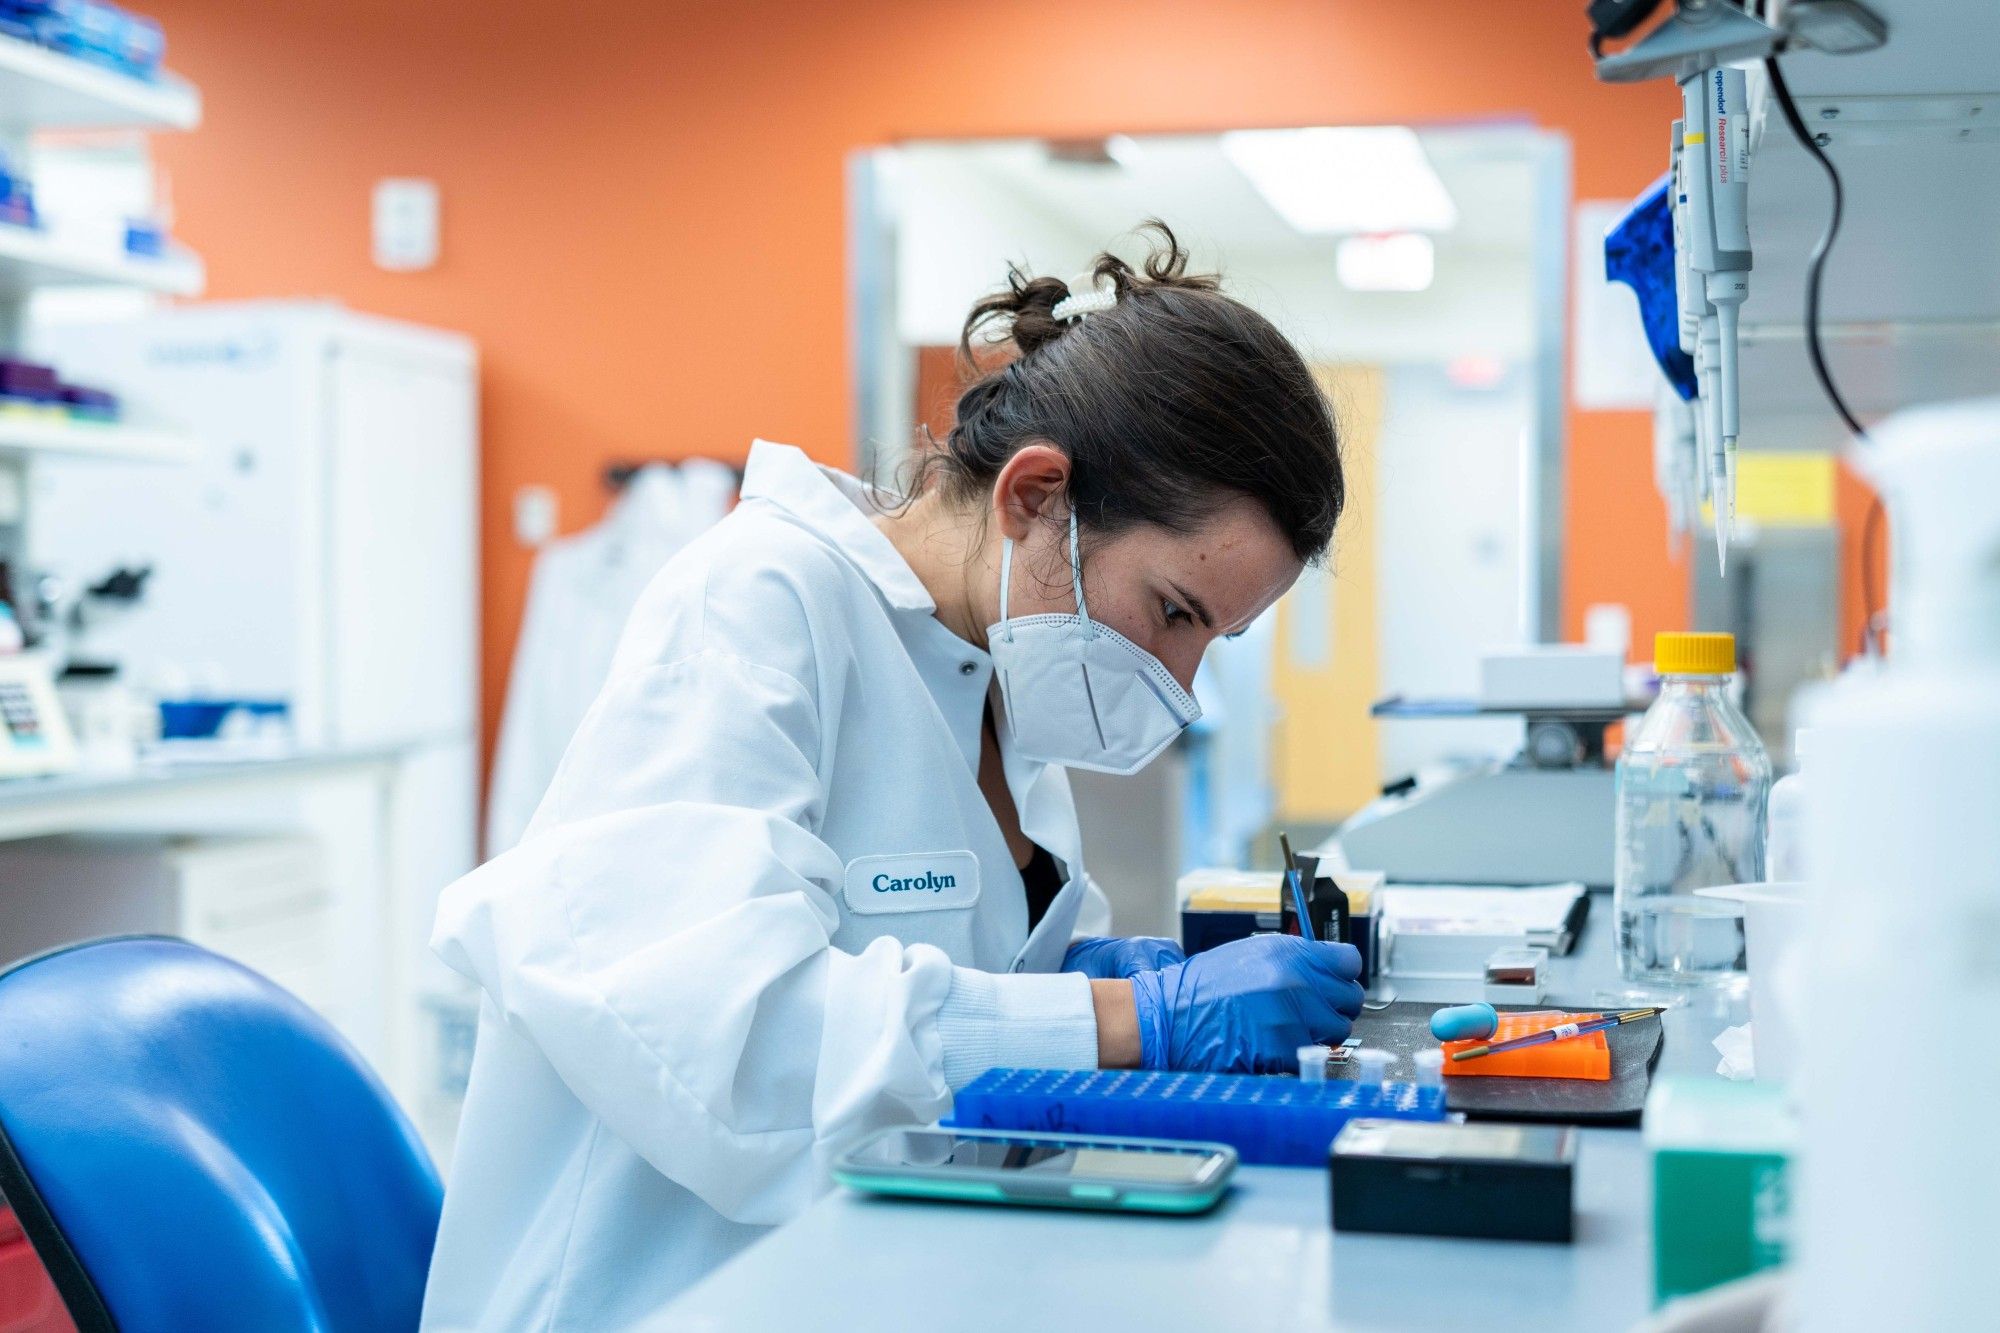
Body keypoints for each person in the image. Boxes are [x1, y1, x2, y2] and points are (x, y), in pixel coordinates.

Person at [420, 223, 1361, 1330]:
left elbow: (955, 999)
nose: (1179, 683)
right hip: (658, 1294)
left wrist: (1073, 974)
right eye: (1170, 612)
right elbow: (733, 1039)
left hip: (874, 1270)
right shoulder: (756, 607)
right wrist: (1119, 1018)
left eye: (1213, 642)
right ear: (1034, 496)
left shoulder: (994, 674)